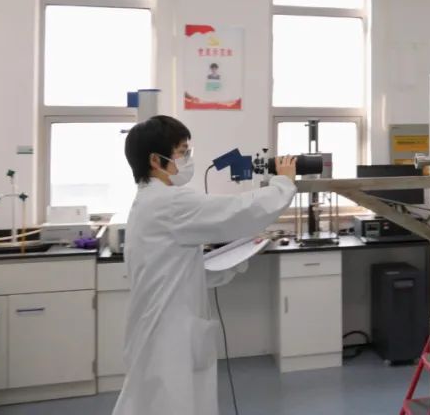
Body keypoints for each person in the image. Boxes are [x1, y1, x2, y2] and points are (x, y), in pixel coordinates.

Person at [112, 115, 298, 415]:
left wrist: (234, 259)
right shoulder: (169, 202)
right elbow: (239, 210)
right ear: (156, 160)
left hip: (162, 325)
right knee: (170, 404)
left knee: (158, 401)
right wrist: (283, 183)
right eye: (182, 152)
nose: (187, 159)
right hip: (168, 333)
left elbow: (179, 268)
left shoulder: (149, 201)